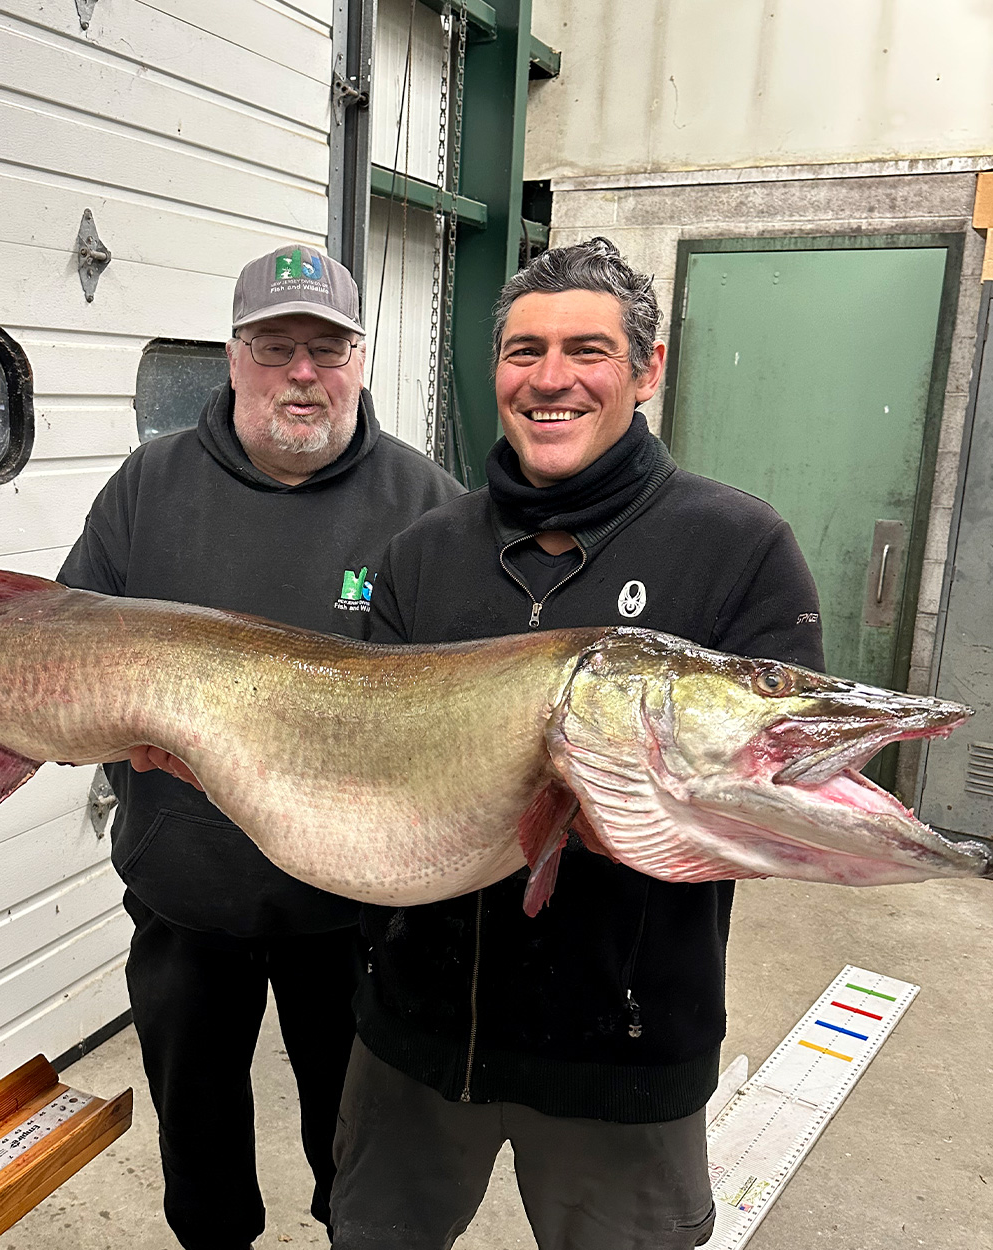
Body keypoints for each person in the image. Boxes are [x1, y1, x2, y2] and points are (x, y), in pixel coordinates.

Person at [0, 245, 463, 1250]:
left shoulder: (426, 506)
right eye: (276, 347)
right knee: (199, 1172)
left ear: (358, 357)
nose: (302, 373)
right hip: (186, 899)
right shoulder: (150, 485)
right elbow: (51, 658)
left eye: (325, 348)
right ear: (233, 358)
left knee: (361, 1170)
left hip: (355, 917)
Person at [328, 238, 825, 1250]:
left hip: (625, 1054)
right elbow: (364, 761)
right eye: (522, 350)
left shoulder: (738, 546)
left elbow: (767, 797)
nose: (548, 378)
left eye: (586, 349)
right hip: (418, 1039)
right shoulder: (421, 555)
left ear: (645, 369)